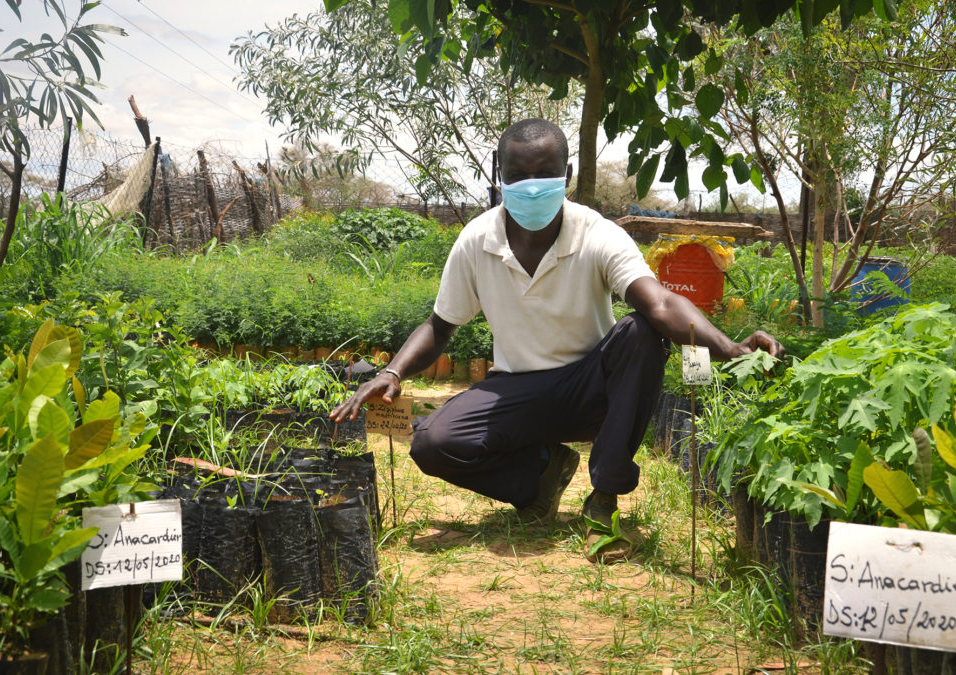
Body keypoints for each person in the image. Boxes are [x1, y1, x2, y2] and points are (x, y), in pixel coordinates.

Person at [330, 118, 783, 562]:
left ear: (565, 176)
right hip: (519, 389)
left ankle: (603, 500)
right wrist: (392, 372)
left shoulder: (597, 234)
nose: (530, 186)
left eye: (543, 175)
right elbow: (440, 325)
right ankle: (542, 476)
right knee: (433, 443)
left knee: (642, 331)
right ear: (499, 176)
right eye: (517, 175)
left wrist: (730, 348)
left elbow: (661, 304)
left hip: (593, 388)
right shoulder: (476, 240)